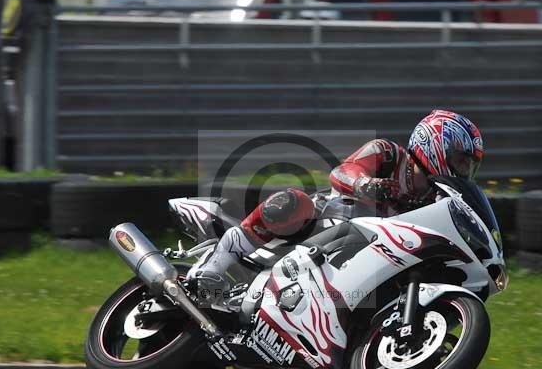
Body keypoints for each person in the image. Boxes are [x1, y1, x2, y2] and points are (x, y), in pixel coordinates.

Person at [187, 109, 484, 303]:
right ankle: (215, 264)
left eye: (468, 166)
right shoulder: (389, 154)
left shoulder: (435, 200)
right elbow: (341, 172)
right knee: (295, 202)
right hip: (322, 224)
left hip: (361, 257)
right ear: (434, 145)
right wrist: (366, 185)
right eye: (460, 161)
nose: (463, 171)